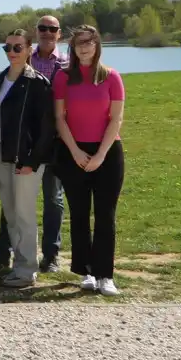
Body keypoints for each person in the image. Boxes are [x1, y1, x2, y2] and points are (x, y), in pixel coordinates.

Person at [0, 13, 70, 273]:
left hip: (27, 159)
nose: (12, 52)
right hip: (0, 157)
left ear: (28, 49)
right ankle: (14, 263)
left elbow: (45, 126)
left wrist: (32, 160)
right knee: (10, 215)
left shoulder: (37, 83)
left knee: (25, 215)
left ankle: (27, 268)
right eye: (7, 47)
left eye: (18, 47)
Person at [53, 25, 126, 296]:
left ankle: (105, 274)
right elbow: (60, 118)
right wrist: (75, 152)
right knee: (79, 214)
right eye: (79, 43)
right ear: (72, 47)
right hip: (73, 151)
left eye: (89, 42)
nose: (84, 47)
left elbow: (116, 119)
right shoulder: (63, 78)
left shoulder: (111, 77)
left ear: (97, 45)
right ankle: (85, 272)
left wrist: (100, 155)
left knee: (105, 215)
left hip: (107, 152)